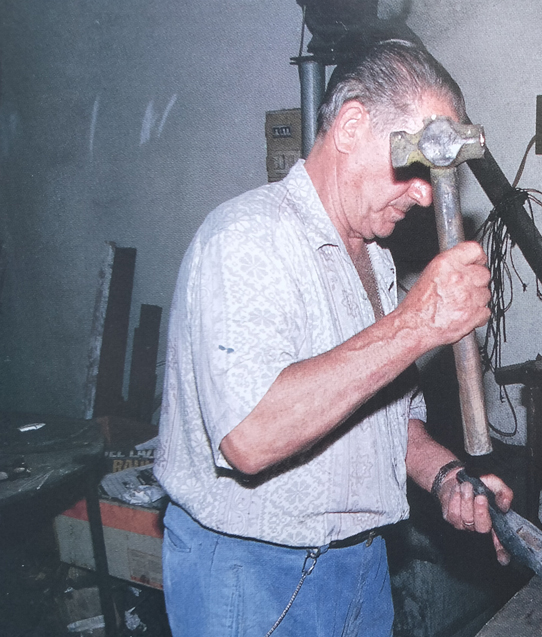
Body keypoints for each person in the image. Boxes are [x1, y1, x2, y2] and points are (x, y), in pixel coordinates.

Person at [154, 41, 512, 637]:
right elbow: (251, 436)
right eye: (413, 163)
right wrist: (415, 324)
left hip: (361, 565)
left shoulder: (373, 255)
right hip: (254, 573)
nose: (425, 193)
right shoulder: (247, 240)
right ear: (350, 126)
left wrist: (448, 477)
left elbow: (387, 420)